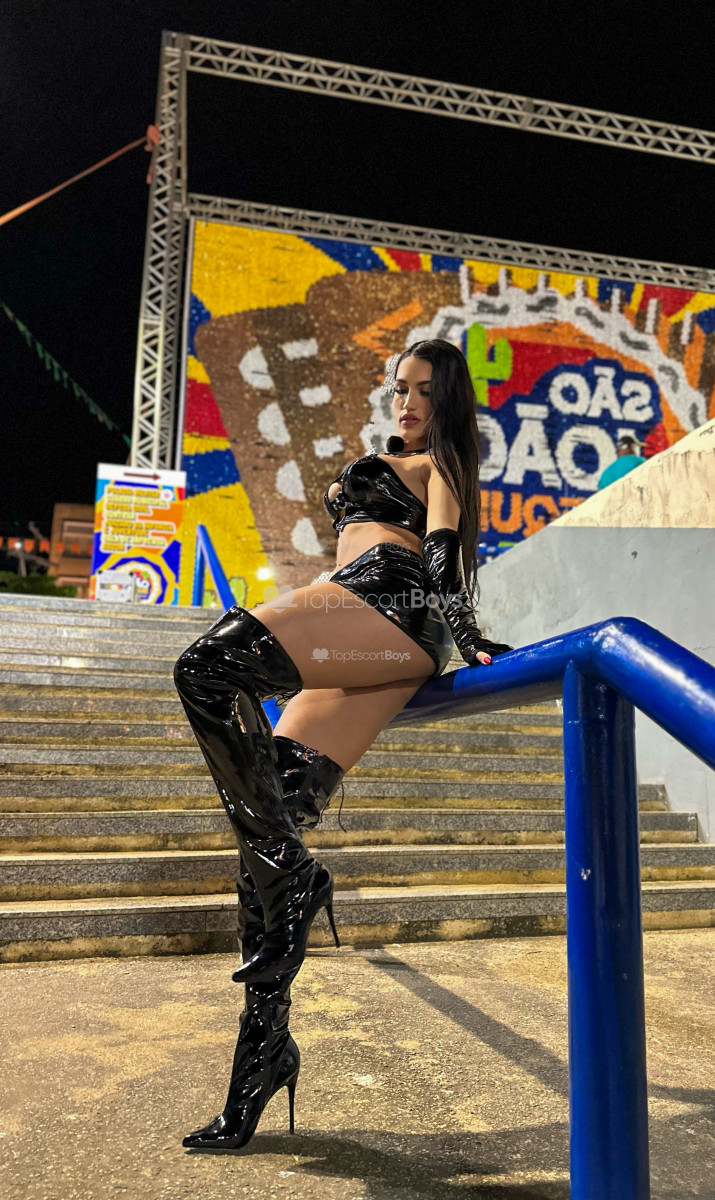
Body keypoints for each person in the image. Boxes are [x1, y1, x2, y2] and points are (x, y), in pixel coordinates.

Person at [173, 338, 513, 1152]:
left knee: (205, 667)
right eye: (399, 389)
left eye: (423, 390)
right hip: (357, 622)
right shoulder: (396, 456)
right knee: (268, 841)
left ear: (448, 400)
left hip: (390, 611)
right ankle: (261, 1061)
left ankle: (296, 874)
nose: (407, 403)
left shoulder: (440, 467)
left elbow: (440, 551)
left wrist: (468, 635)